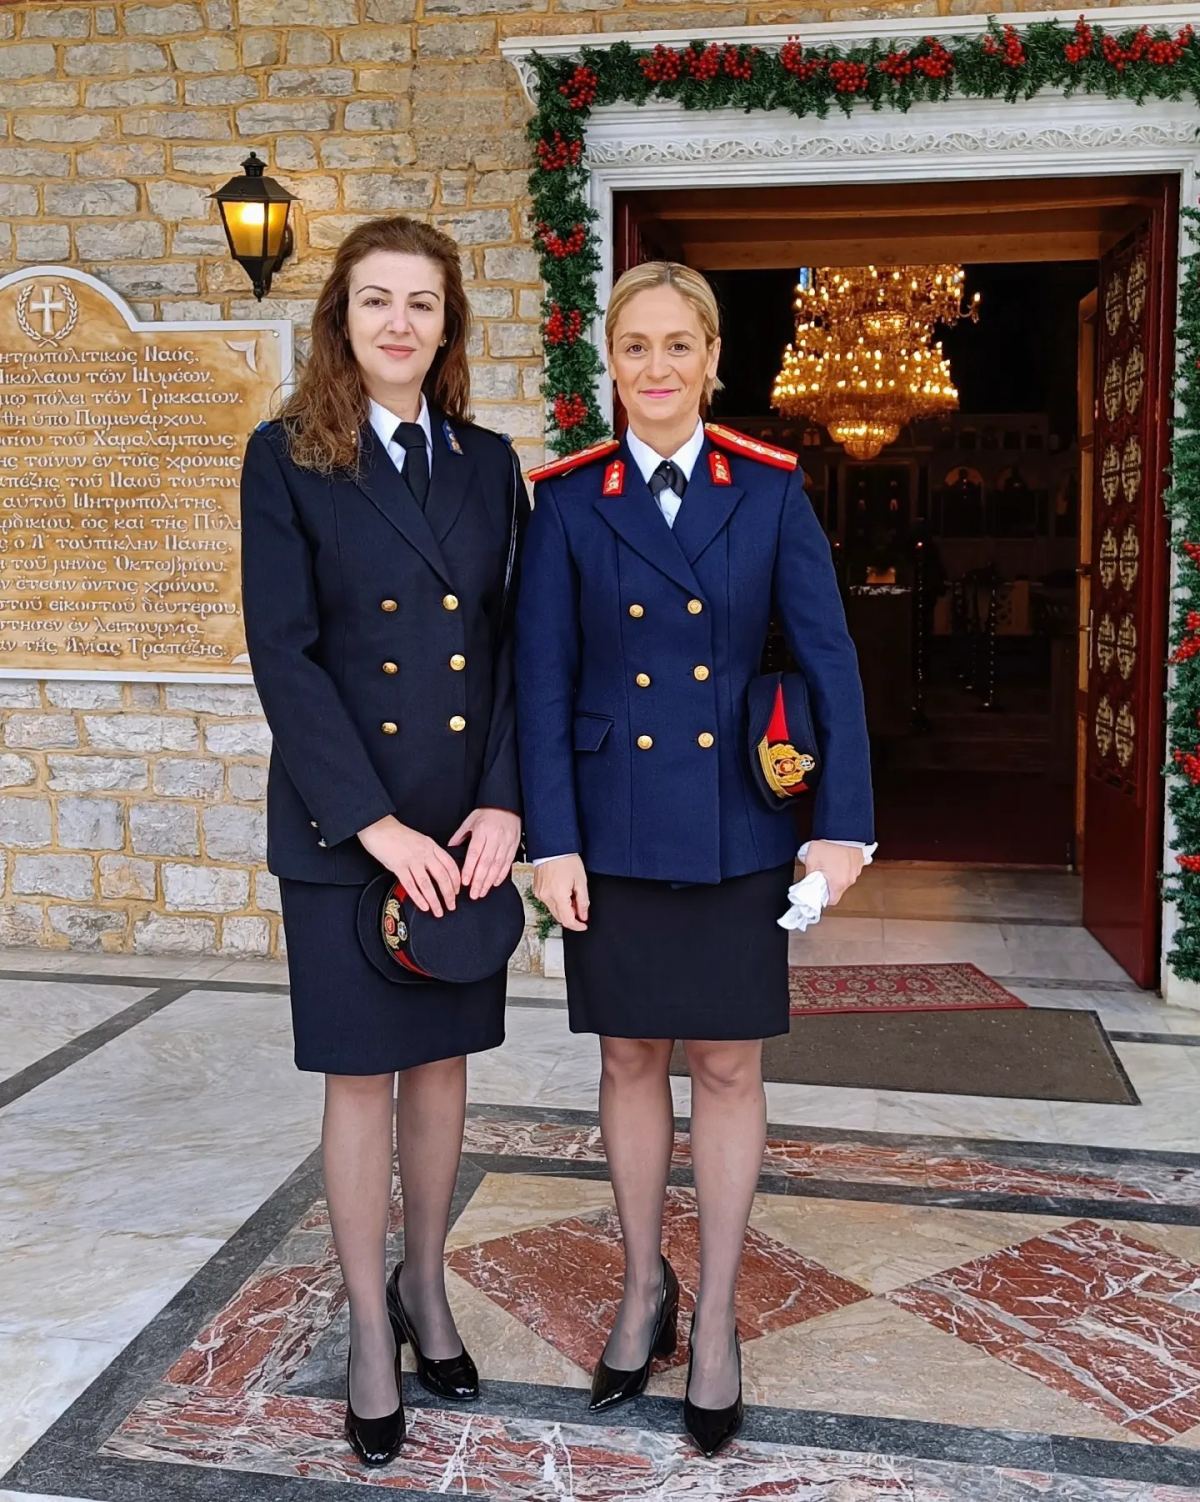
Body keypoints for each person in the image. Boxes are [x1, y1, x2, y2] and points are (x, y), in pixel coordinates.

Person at [516, 261, 873, 1458]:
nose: (657, 366)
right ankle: (641, 1285)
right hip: (612, 822)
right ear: (609, 362)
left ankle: (714, 1316)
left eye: (680, 344)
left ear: (715, 359)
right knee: (627, 1055)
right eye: (636, 345)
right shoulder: (569, 499)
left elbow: (829, 659)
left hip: (736, 824)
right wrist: (553, 840)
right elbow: (541, 680)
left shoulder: (768, 489)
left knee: (724, 1062)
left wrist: (843, 824)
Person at [239, 216, 525, 1467]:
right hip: (341, 825)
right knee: (359, 1076)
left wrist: (504, 802)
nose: (399, 322)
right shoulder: (286, 458)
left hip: (460, 829)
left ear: (448, 324)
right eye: (376, 301)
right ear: (340, 321)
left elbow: (516, 649)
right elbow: (284, 654)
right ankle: (369, 1322)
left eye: (421, 302)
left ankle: (426, 1282)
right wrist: (374, 823)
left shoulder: (491, 464)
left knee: (442, 1068)